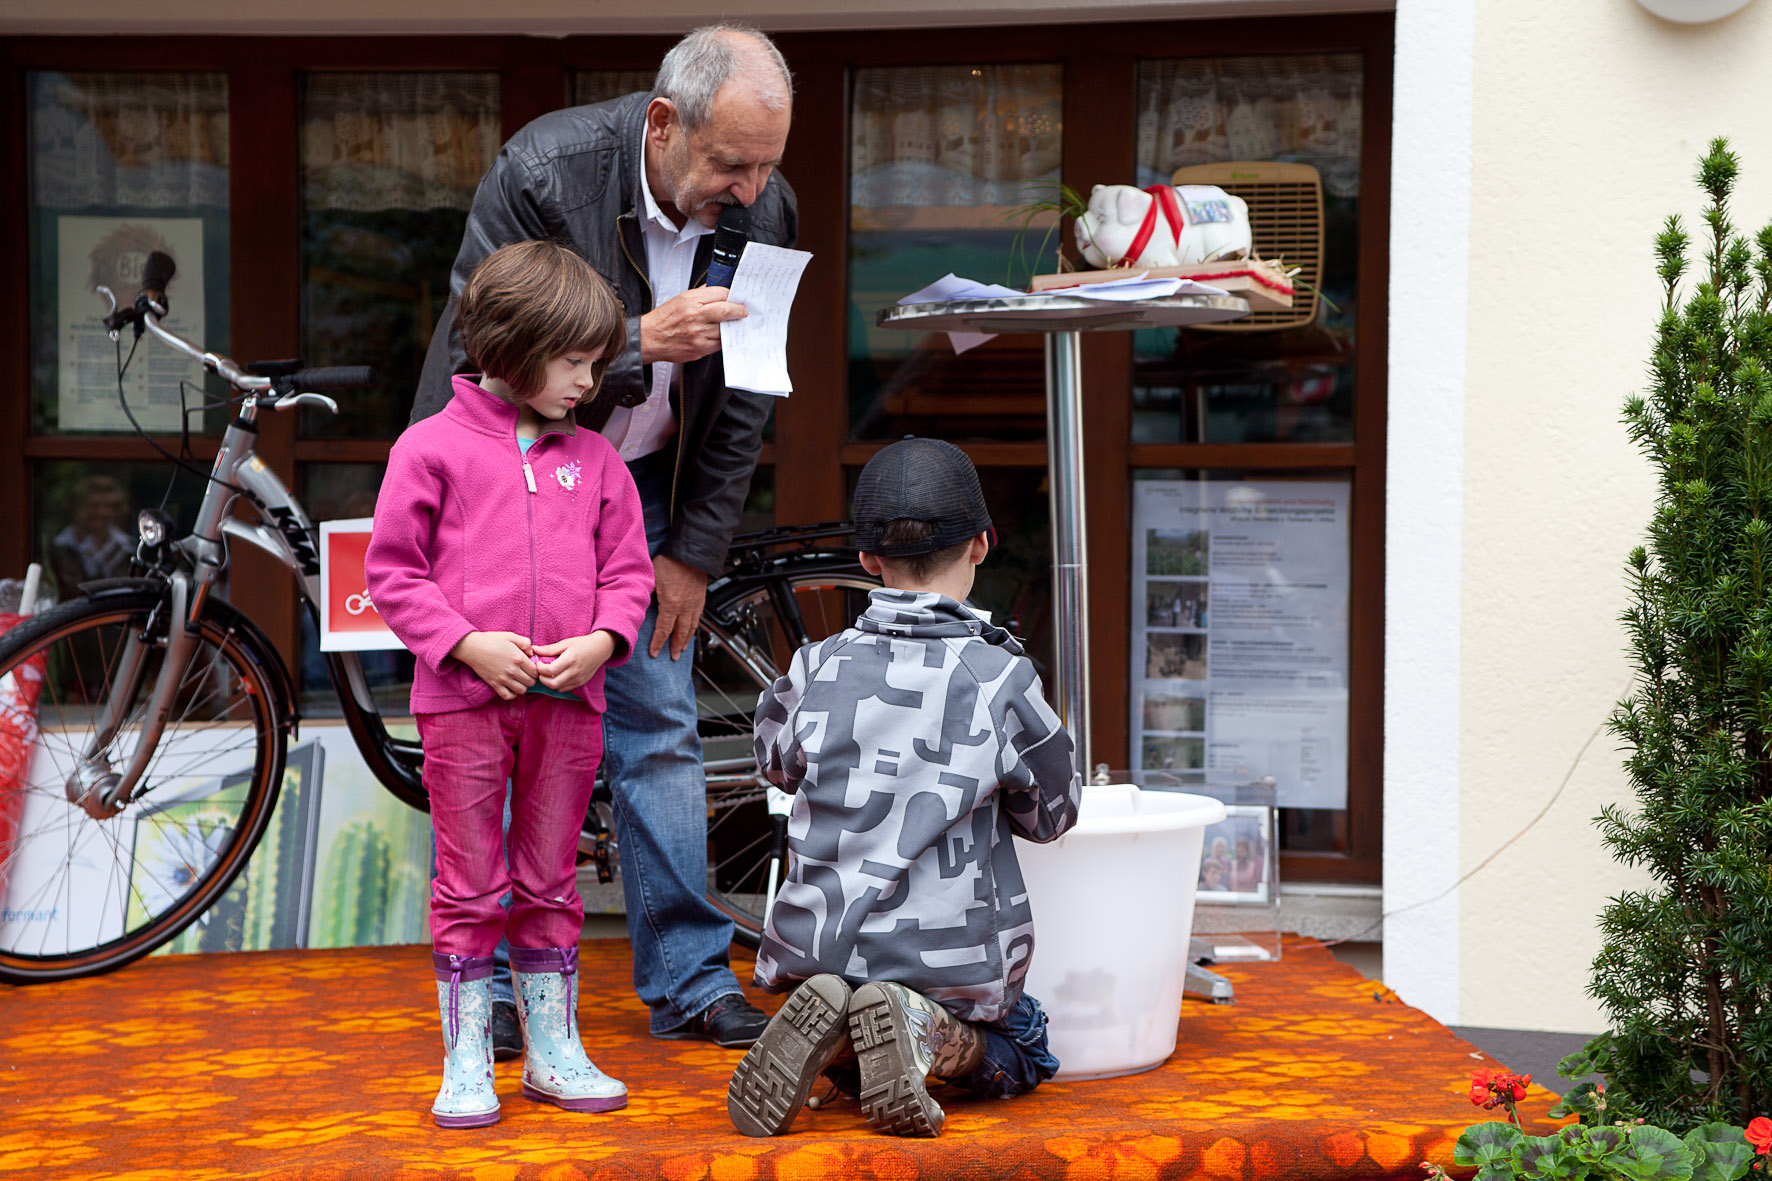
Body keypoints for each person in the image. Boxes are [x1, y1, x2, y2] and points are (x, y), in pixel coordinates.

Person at [408, 23, 797, 1053]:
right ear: (663, 124)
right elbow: (481, 344)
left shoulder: (766, 209)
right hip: (503, 477)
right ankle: (491, 988)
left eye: (768, 166)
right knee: (496, 729)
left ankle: (690, 980)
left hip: (643, 490)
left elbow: (745, 398)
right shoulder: (545, 171)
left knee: (659, 719)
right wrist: (634, 342)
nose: (753, 191)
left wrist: (693, 552)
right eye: (733, 165)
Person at [366, 241, 655, 1128]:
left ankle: (553, 1051)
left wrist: (603, 642)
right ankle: (465, 1056)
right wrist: (465, 645)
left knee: (552, 880)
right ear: (514, 346)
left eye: (596, 363)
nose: (589, 382)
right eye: (574, 362)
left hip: (570, 707)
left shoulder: (599, 461)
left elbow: (629, 574)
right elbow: (393, 573)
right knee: (466, 883)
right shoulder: (427, 448)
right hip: (462, 706)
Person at [726, 437, 1083, 1139]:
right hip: (950, 963)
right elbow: (1054, 812)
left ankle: (836, 1033)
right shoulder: (1000, 677)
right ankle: (923, 1024)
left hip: (819, 949)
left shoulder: (815, 665)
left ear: (867, 560)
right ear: (981, 544)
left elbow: (774, 762)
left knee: (856, 1007)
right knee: (1028, 1041)